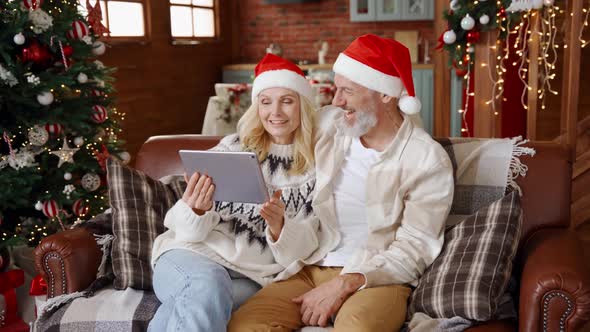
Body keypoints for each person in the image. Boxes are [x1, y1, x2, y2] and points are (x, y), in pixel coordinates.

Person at [228, 34, 455, 332]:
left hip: (375, 277)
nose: (336, 100)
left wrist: (347, 282)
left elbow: (416, 248)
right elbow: (271, 126)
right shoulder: (330, 127)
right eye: (336, 89)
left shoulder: (426, 159)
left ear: (386, 94)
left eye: (347, 90)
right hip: (311, 266)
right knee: (246, 325)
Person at [148, 54, 325, 332]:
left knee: (191, 306)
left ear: (303, 106)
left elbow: (301, 253)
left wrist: (280, 226)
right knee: (206, 285)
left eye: (287, 101)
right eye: (266, 102)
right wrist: (196, 209)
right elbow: (185, 232)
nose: (275, 112)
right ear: (257, 107)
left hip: (252, 278)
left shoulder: (318, 166)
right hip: (190, 256)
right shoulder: (233, 147)